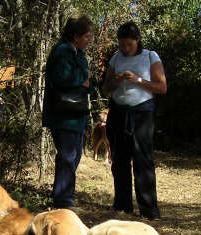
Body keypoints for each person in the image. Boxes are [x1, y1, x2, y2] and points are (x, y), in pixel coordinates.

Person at [102, 21, 167, 220]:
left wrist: (138, 80)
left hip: (142, 113)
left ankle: (148, 209)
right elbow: (105, 88)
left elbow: (162, 87)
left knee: (142, 159)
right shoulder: (116, 57)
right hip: (118, 111)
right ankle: (123, 206)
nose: (125, 49)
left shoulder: (150, 56)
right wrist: (116, 81)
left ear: (137, 40)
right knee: (119, 160)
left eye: (129, 44)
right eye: (122, 45)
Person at [42, 16, 93, 210]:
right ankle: (63, 203)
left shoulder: (78, 53)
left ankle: (63, 197)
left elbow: (88, 82)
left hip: (76, 114)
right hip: (64, 115)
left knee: (73, 156)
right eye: (87, 36)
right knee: (68, 156)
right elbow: (62, 77)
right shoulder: (62, 51)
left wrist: (85, 80)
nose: (89, 40)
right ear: (76, 35)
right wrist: (83, 77)